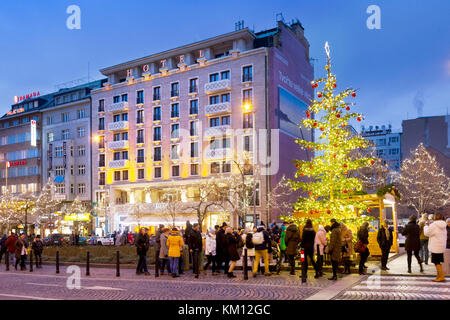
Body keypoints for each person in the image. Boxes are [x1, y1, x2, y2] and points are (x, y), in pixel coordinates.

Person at [424, 213, 447, 282]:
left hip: (435, 246)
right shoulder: (444, 225)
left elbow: (427, 233)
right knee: (438, 262)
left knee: (436, 262)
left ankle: (441, 276)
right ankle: (438, 276)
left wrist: (426, 227)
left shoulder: (434, 225)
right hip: (441, 246)